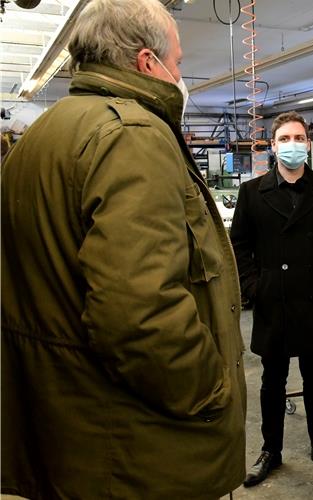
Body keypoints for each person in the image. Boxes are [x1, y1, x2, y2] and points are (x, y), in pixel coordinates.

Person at [0, 1, 246, 498]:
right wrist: (209, 390)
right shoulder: (132, 135)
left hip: (63, 428)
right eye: (177, 61)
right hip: (133, 446)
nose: (180, 74)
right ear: (145, 62)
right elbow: (139, 313)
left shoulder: (40, 136)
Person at [230, 111, 313, 487]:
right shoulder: (252, 193)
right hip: (273, 299)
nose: (293, 145)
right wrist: (255, 287)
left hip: (312, 298)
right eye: (285, 139)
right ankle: (270, 450)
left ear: (308, 144)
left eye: (299, 138)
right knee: (271, 380)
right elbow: (238, 246)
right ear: (273, 147)